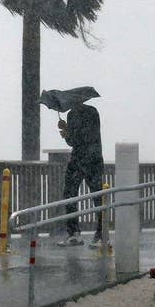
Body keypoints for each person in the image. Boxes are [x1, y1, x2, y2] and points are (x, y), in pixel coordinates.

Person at [56, 102, 105, 248]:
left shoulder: (91, 112)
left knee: (97, 197)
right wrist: (66, 132)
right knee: (69, 195)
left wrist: (70, 133)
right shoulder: (71, 115)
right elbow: (73, 142)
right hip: (77, 160)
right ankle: (74, 234)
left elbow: (88, 137)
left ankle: (101, 234)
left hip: (91, 160)